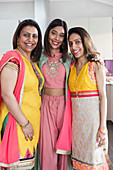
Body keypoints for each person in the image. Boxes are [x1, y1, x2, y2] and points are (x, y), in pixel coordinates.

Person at [0, 19, 44, 170]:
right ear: (18, 37)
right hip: (17, 122)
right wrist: (25, 124)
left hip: (30, 122)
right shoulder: (14, 59)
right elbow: (7, 94)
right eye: (26, 35)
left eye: (34, 36)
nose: (31, 40)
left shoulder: (31, 61)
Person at [67, 27, 109, 169]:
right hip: (76, 126)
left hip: (93, 125)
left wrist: (102, 127)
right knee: (79, 161)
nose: (74, 47)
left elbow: (103, 97)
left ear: (85, 42)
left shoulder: (95, 65)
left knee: (94, 161)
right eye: (71, 43)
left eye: (77, 42)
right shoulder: (71, 67)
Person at [38, 18, 72, 170]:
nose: (56, 38)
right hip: (45, 104)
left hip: (64, 105)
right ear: (48, 34)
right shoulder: (39, 57)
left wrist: (95, 57)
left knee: (63, 146)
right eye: (54, 33)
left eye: (61, 35)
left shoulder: (69, 58)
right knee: (47, 148)